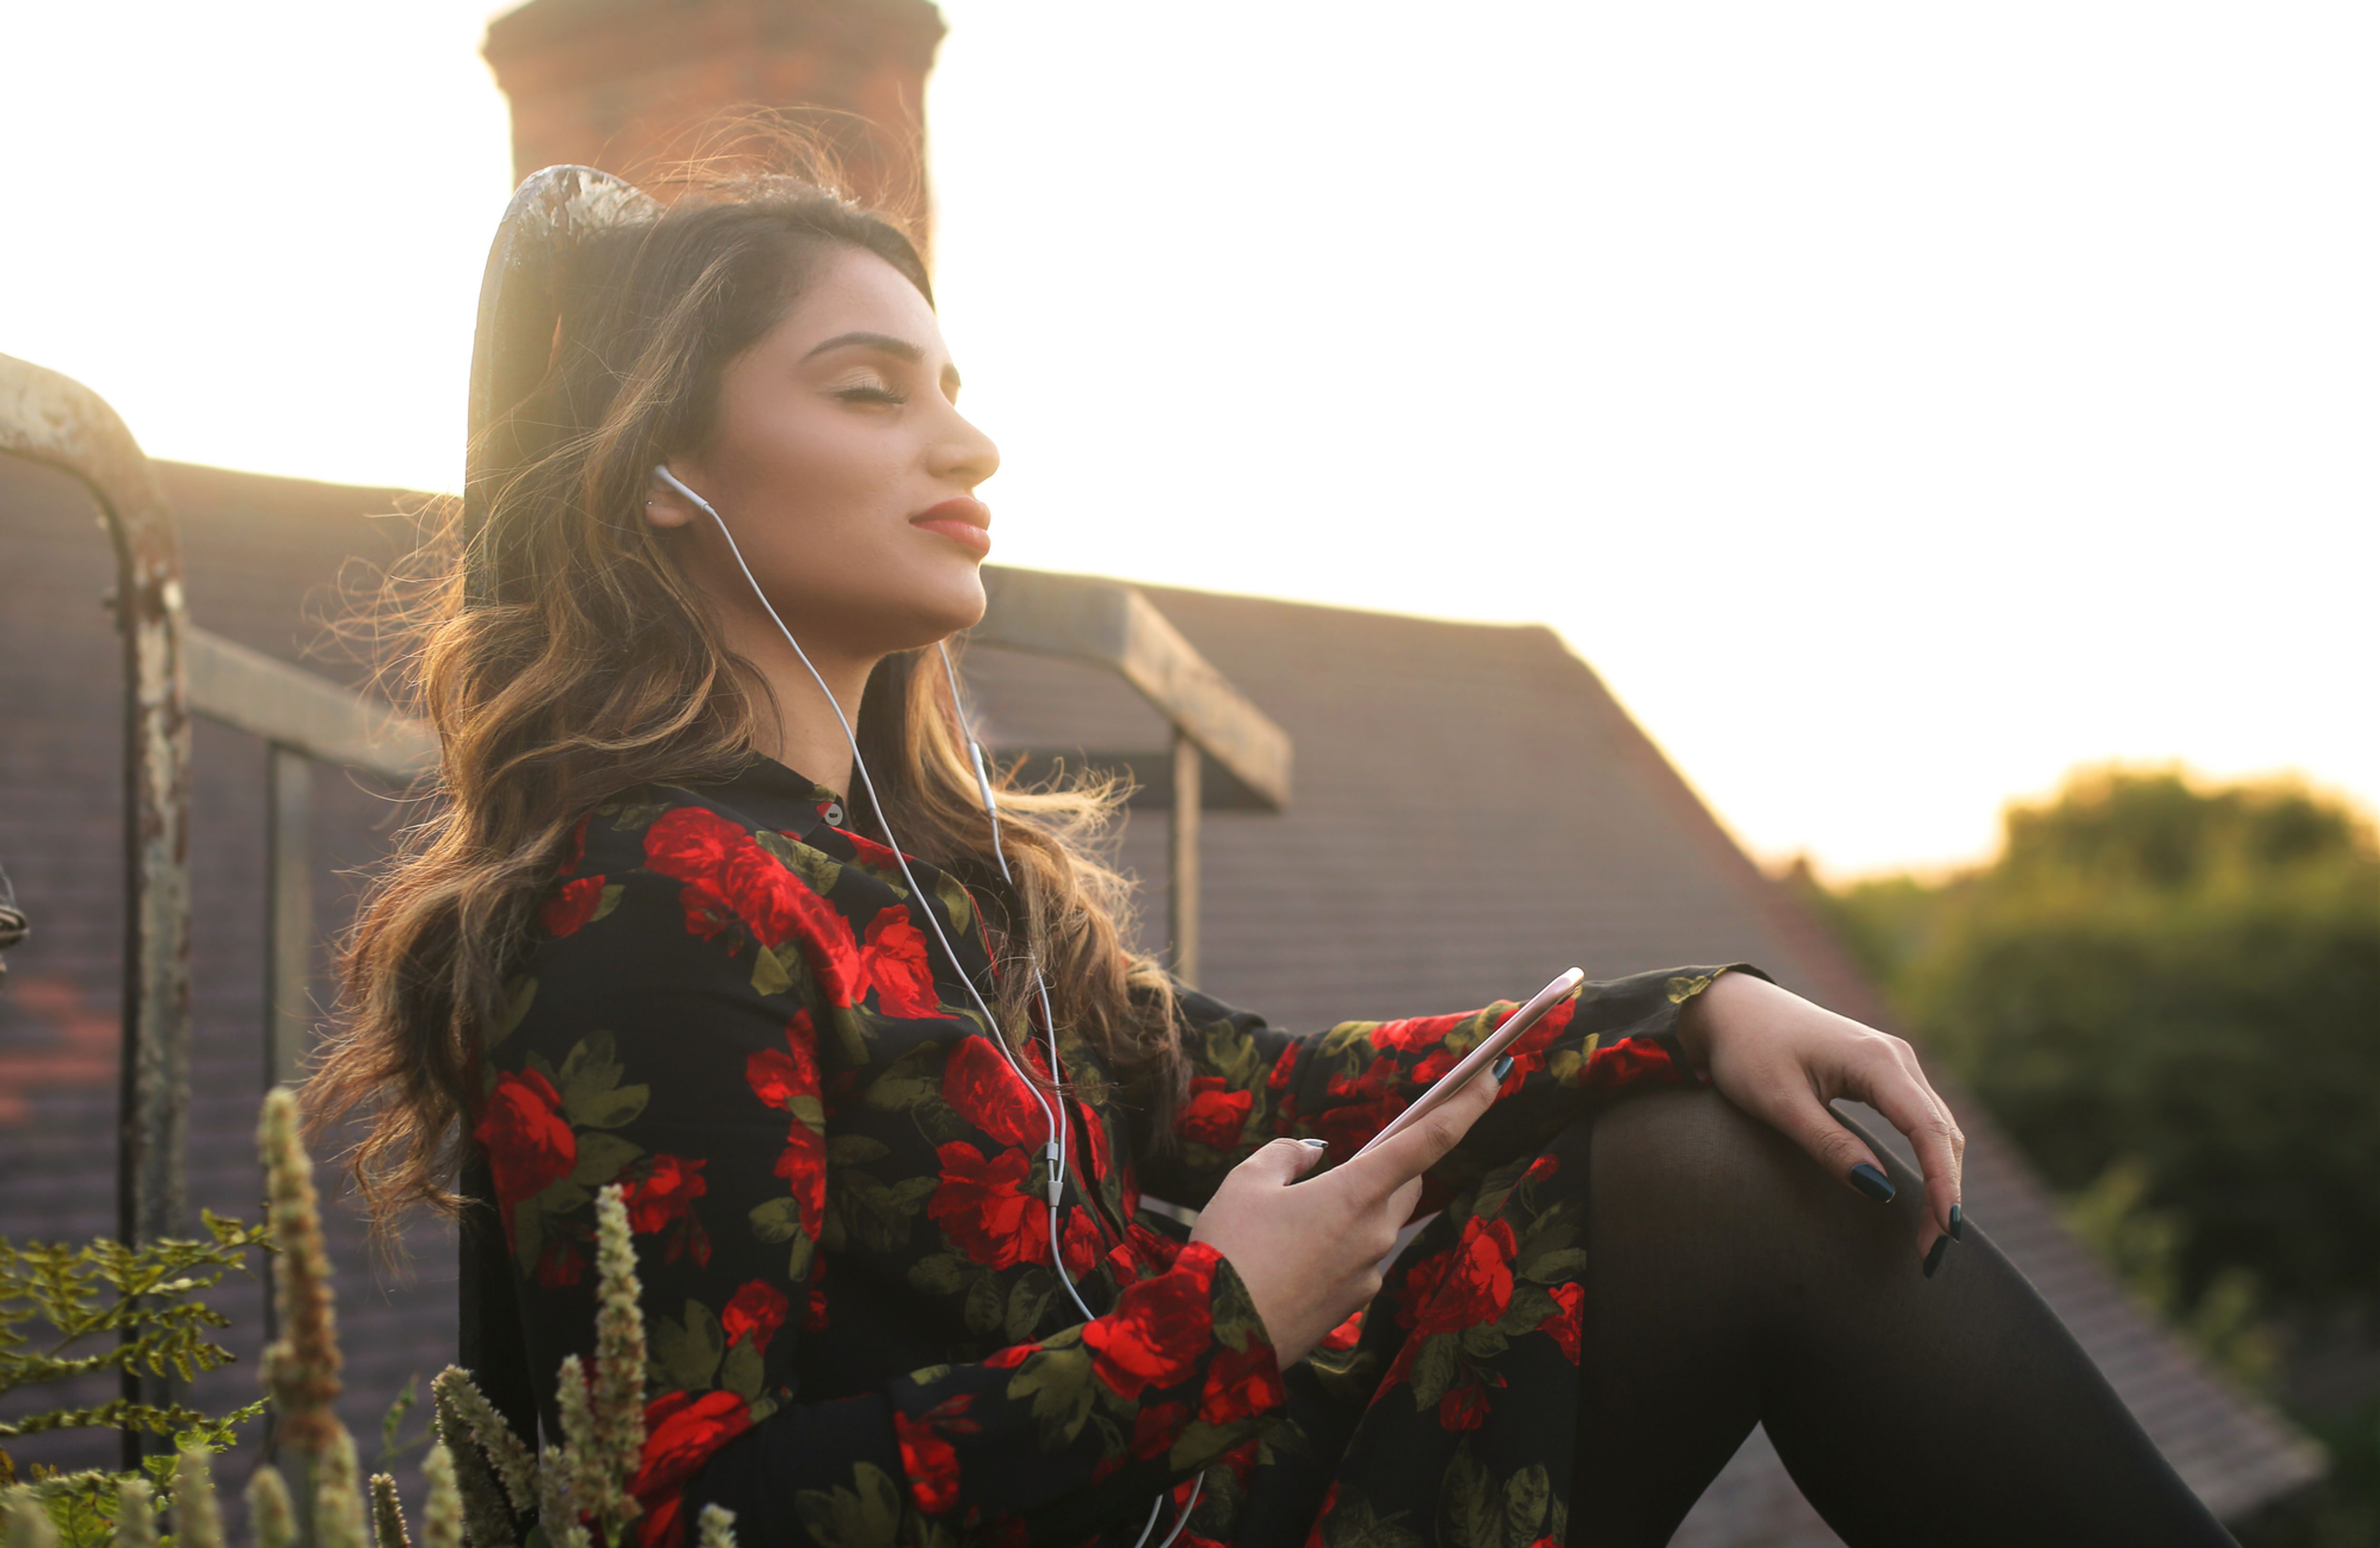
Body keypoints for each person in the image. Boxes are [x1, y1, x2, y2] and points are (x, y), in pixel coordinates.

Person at [309, 168, 2239, 1548]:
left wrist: (1695, 1006)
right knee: (1717, 1195)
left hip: (1204, 1487)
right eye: (867, 391)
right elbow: (684, 1514)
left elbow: (1255, 1091)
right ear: (665, 472)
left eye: (949, 384)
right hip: (1175, 1479)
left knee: (1703, 1149)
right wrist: (1210, 1329)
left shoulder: (929, 874)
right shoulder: (647, 901)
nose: (963, 444)